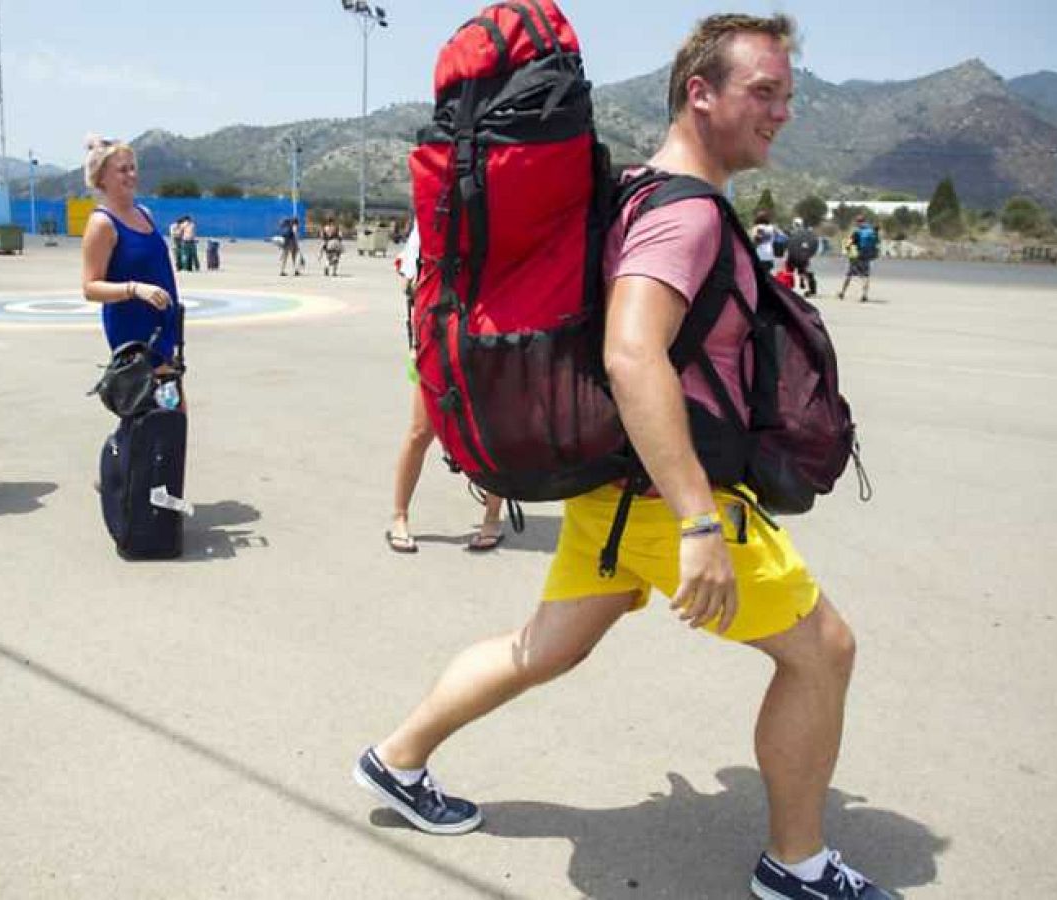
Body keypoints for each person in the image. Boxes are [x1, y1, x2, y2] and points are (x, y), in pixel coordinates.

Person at [354, 14, 892, 900]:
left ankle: (396, 758)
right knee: (823, 650)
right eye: (765, 91)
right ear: (700, 93)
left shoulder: (637, 191)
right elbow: (633, 354)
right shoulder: (684, 215)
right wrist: (699, 521)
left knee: (543, 648)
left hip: (615, 484)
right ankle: (796, 867)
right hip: (662, 492)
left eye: (787, 95)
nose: (782, 111)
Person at [387, 222, 504, 554]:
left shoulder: (495, 212)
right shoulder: (431, 220)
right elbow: (407, 276)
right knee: (420, 431)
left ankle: (493, 516)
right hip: (436, 338)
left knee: (489, 433)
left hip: (483, 335)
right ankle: (399, 515)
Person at [80, 135, 181, 377]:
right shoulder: (102, 224)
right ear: (101, 178)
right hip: (134, 335)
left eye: (133, 168)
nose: (131, 175)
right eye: (122, 170)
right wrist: (135, 289)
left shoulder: (144, 214)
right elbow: (90, 287)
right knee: (151, 410)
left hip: (163, 328)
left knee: (171, 410)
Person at [837, 215, 879, 302]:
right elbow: (877, 243)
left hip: (856, 257)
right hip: (867, 257)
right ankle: (864, 294)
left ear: (857, 222)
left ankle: (842, 292)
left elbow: (849, 244)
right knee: (865, 276)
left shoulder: (857, 232)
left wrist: (847, 249)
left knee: (849, 275)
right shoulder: (871, 231)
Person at [785, 217, 819, 297]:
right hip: (801, 256)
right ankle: (811, 289)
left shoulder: (794, 233)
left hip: (795, 256)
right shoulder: (806, 233)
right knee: (805, 272)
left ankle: (788, 288)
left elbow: (789, 245)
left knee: (790, 272)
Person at [750, 208, 779, 278]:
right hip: (769, 254)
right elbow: (777, 235)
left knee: (759, 276)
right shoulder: (772, 227)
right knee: (768, 275)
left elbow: (754, 240)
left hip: (760, 254)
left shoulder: (757, 228)